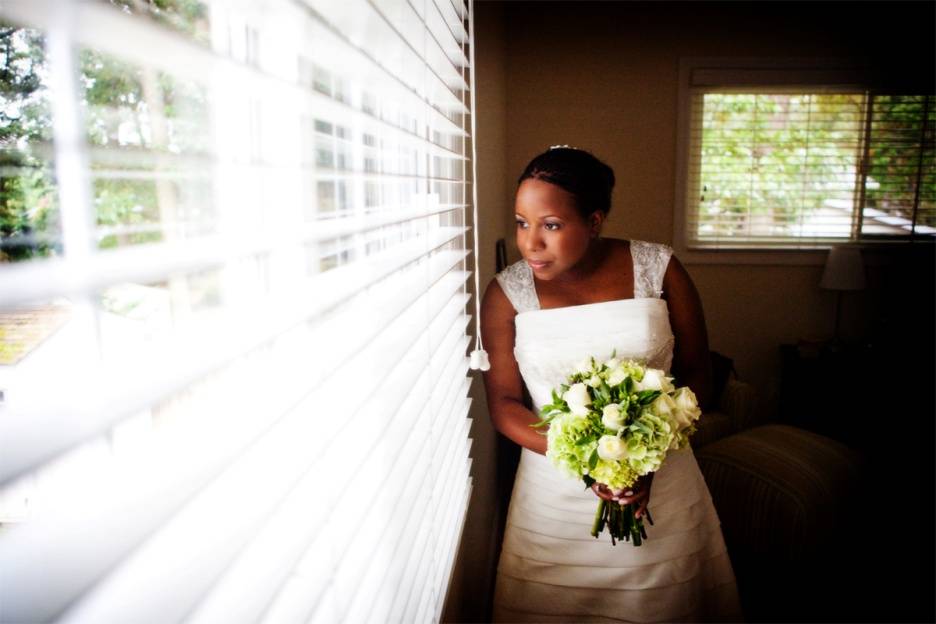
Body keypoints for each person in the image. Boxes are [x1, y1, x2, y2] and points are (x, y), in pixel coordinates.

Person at [480, 147, 743, 622]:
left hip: (662, 481)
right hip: (552, 501)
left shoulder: (658, 269)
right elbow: (503, 404)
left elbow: (697, 373)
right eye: (522, 222)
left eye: (551, 225)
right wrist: (592, 460)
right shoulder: (506, 292)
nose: (530, 244)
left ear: (594, 220)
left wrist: (646, 461)